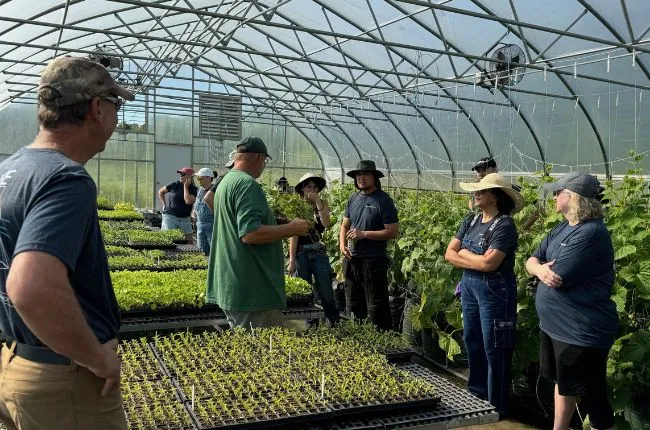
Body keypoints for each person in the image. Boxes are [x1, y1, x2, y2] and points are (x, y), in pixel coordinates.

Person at [0, 56, 131, 429]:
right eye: (115, 104)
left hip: (16, 363)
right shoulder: (64, 178)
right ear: (97, 108)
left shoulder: (11, 170)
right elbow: (30, 286)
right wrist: (98, 358)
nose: (115, 116)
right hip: (61, 381)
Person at [525, 172, 617, 430]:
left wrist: (543, 270)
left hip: (580, 332)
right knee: (562, 384)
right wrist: (539, 269)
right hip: (556, 327)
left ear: (574, 197)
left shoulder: (590, 234)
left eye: (559, 192)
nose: (555, 196)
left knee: (591, 395)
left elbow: (559, 276)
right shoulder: (563, 226)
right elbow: (533, 259)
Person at [206, 137, 310, 329]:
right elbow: (250, 234)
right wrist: (292, 229)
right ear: (259, 157)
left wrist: (274, 223)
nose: (264, 167)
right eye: (265, 162)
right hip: (252, 289)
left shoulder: (226, 182)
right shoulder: (247, 184)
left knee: (247, 352)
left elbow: (239, 223)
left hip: (234, 283)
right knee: (260, 352)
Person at [444, 173, 524, 415]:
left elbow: (490, 264)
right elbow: (449, 253)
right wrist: (474, 258)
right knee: (473, 341)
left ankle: (496, 404)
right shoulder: (470, 220)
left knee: (495, 347)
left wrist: (465, 254)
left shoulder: (505, 225)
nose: (476, 194)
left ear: (496, 196)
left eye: (482, 190)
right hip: (470, 287)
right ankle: (476, 394)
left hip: (495, 291)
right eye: (476, 190)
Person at [339, 160, 399, 331]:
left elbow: (393, 231)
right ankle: (360, 341)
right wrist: (342, 246)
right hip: (352, 260)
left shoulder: (383, 200)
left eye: (365, 174)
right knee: (354, 304)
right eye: (358, 175)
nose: (361, 178)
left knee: (376, 307)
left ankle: (382, 344)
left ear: (374, 177)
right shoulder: (353, 199)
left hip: (373, 262)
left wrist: (364, 234)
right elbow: (344, 226)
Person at [288, 173, 340, 325]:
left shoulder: (322, 203)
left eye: (314, 187)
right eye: (308, 186)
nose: (311, 189)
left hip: (318, 251)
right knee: (305, 291)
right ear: (302, 189)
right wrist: (291, 260)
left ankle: (334, 322)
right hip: (301, 252)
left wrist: (318, 203)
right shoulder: (297, 206)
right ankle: (311, 324)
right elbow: (294, 235)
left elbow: (326, 224)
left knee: (326, 289)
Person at [158, 167, 198, 242]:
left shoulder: (194, 189)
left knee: (189, 240)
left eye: (183, 174)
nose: (180, 176)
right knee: (168, 239)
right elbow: (161, 192)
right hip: (170, 216)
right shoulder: (174, 184)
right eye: (180, 174)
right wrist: (164, 205)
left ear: (190, 176)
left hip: (185, 218)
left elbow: (188, 201)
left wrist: (185, 186)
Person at [192, 167, 215, 255]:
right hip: (200, 224)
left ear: (208, 178)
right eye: (197, 178)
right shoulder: (200, 190)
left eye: (200, 178)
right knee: (202, 251)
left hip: (211, 225)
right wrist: (194, 214)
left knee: (213, 252)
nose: (198, 180)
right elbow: (196, 204)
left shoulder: (215, 191)